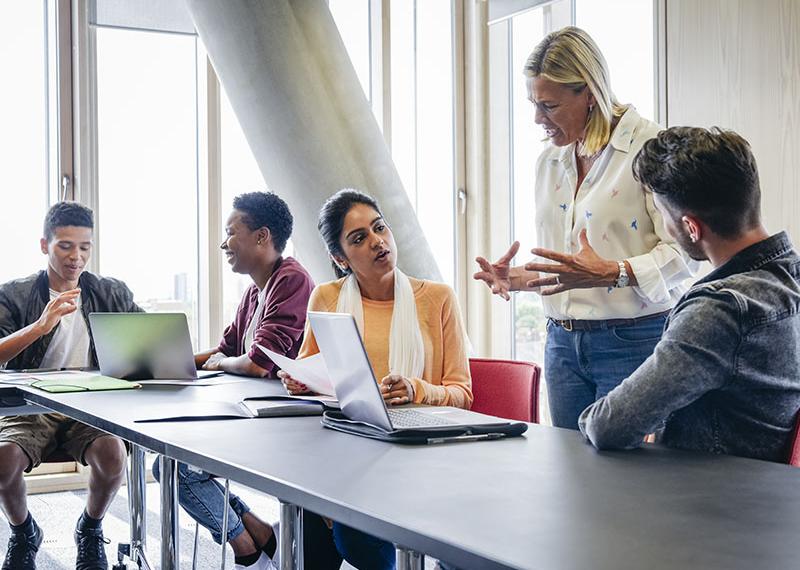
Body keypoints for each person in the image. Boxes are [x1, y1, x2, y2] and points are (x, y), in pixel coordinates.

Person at [473, 26, 695, 429]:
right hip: (561, 343)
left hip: (634, 341)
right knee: (572, 478)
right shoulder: (550, 160)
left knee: (628, 484)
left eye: (549, 106)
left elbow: (686, 254)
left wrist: (615, 271)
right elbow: (572, 269)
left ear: (589, 94)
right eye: (533, 103)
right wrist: (521, 278)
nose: (537, 118)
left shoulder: (651, 148)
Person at [579, 127, 800, 462]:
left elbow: (610, 425)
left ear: (692, 227)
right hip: (771, 497)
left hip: (710, 502)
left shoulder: (720, 310)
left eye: (663, 217)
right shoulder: (790, 278)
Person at [280, 189, 472, 570]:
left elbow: (462, 394)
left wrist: (416, 389)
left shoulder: (437, 298)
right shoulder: (326, 298)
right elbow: (307, 372)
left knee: (351, 534)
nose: (377, 242)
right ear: (340, 259)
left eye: (379, 228)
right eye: (359, 238)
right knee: (308, 524)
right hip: (346, 452)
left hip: (417, 453)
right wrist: (299, 382)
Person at [152, 191, 330, 570]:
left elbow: (256, 363)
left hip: (289, 421)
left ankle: (247, 550)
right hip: (252, 413)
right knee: (167, 465)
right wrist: (160, 362)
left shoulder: (293, 280)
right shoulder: (254, 290)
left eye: (231, 232)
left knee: (177, 471)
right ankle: (260, 539)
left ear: (262, 236)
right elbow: (225, 349)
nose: (223, 243)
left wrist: (221, 363)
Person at [0, 202, 140, 570]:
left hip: (89, 407)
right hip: (30, 406)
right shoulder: (14, 295)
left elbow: (149, 342)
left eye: (85, 247)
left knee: (114, 456)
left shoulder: (111, 293)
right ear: (44, 245)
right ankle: (23, 531)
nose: (76, 257)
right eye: (65, 245)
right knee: (2, 461)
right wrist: (40, 327)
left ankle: (90, 529)